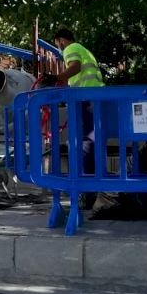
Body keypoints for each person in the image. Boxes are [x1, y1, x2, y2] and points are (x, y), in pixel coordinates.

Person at [50, 28, 104, 209]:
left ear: (61, 40)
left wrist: (56, 78)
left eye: (57, 44)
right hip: (94, 98)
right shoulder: (84, 49)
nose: (59, 48)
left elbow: (75, 67)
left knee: (85, 143)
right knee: (91, 141)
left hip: (85, 98)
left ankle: (86, 191)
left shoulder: (70, 48)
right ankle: (91, 190)